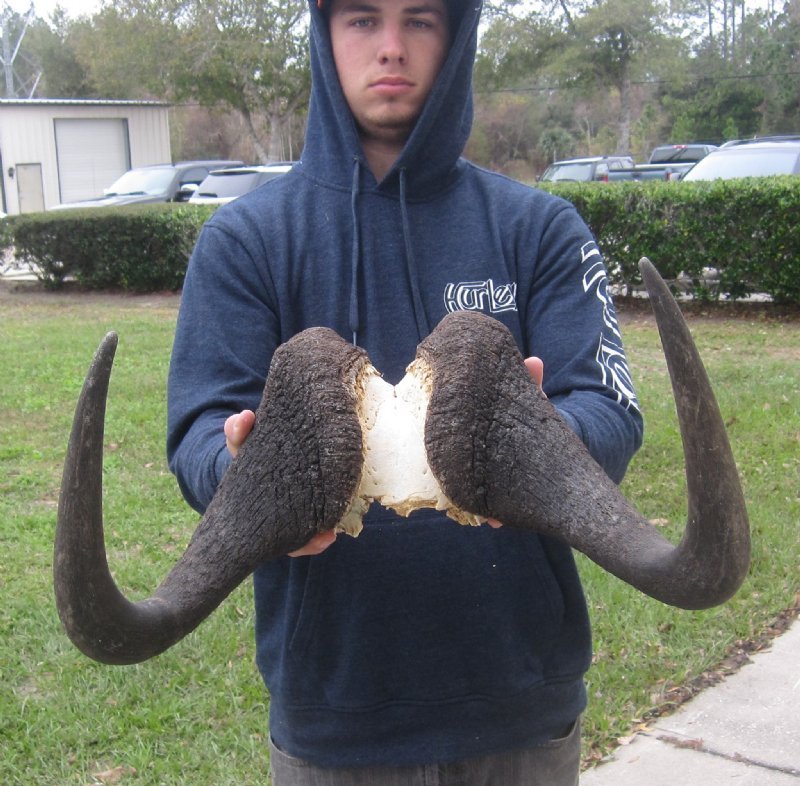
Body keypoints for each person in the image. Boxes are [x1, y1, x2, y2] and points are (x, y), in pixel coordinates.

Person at [166, 0, 643, 782]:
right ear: (323, 33)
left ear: (456, 36)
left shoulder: (540, 229)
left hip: (520, 710)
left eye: (420, 19)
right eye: (362, 19)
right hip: (334, 716)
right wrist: (251, 477)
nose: (391, 47)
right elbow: (199, 433)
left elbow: (609, 409)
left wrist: (536, 443)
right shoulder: (246, 240)